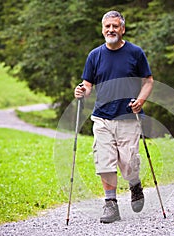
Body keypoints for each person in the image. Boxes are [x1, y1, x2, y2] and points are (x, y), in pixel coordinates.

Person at [74, 10, 153, 223]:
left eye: (115, 26)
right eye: (107, 26)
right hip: (102, 118)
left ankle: (134, 184)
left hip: (128, 116)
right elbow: (88, 85)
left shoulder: (135, 53)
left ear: (123, 29)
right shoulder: (94, 55)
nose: (111, 30)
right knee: (104, 161)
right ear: (102, 29)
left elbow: (148, 81)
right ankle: (111, 204)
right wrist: (81, 90)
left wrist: (140, 101)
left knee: (128, 164)